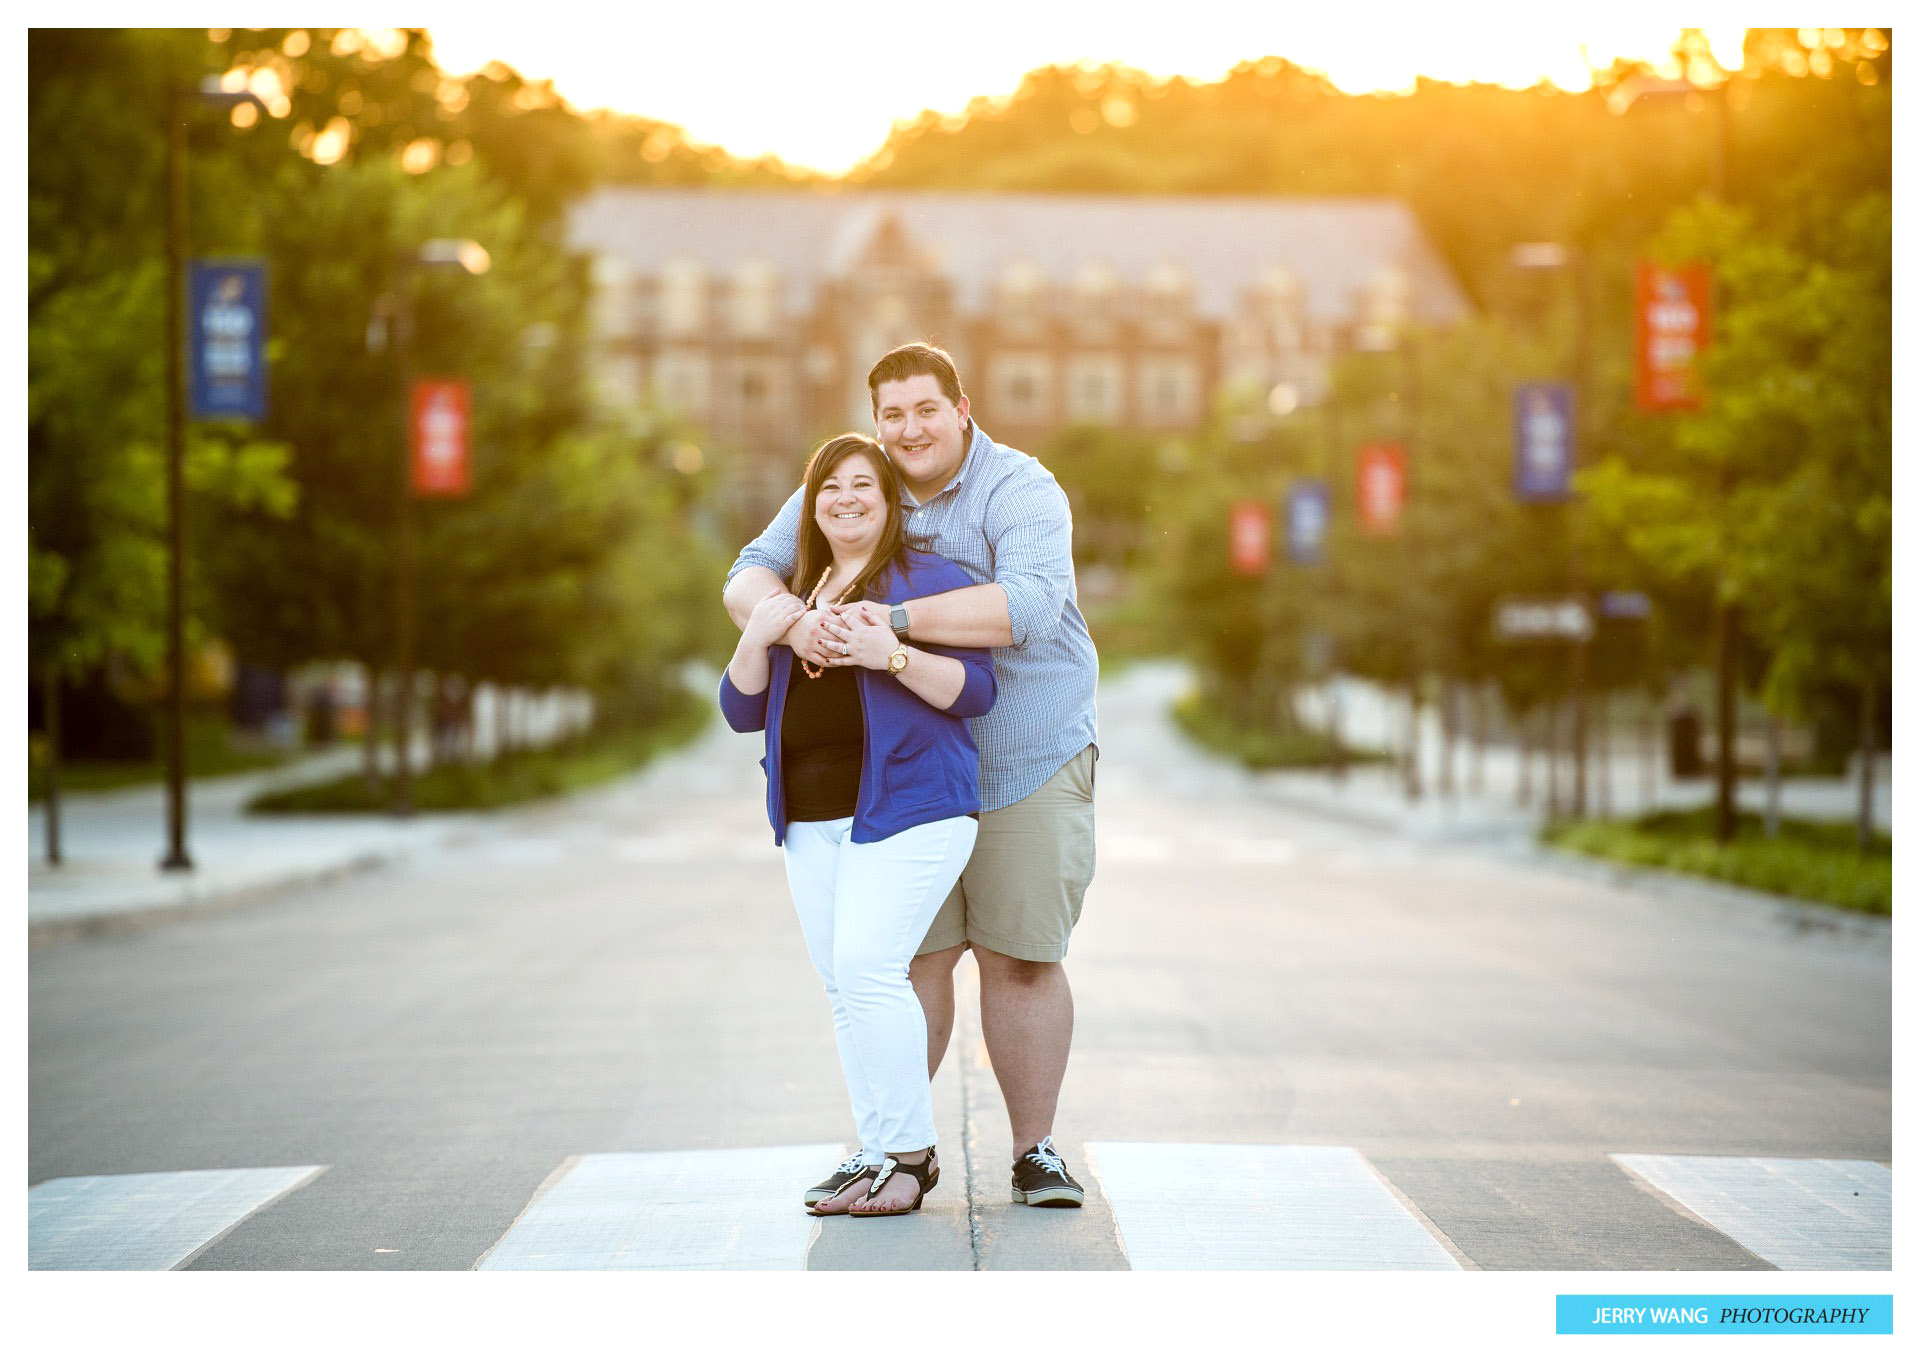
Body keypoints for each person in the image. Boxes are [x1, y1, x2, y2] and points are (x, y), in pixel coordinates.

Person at [725, 343, 1098, 1209]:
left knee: (1022, 957)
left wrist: (886, 621)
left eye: (926, 410)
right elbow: (751, 570)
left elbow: (1030, 608)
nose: (908, 429)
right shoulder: (861, 477)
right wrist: (783, 623)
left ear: (961, 408)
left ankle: (1035, 1149)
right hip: (907, 775)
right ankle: (892, 1149)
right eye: (893, 414)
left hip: (1025, 758)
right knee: (900, 966)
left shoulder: (1021, 489)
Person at [719, 432, 997, 1217]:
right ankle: (874, 1152)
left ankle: (911, 1155)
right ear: (812, 504)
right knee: (845, 984)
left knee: (871, 968)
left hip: (913, 807)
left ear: (888, 504)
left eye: (863, 488)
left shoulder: (926, 583)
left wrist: (892, 650)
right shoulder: (794, 589)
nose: (845, 499)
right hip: (810, 818)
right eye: (829, 487)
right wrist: (763, 630)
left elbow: (976, 693)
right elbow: (740, 707)